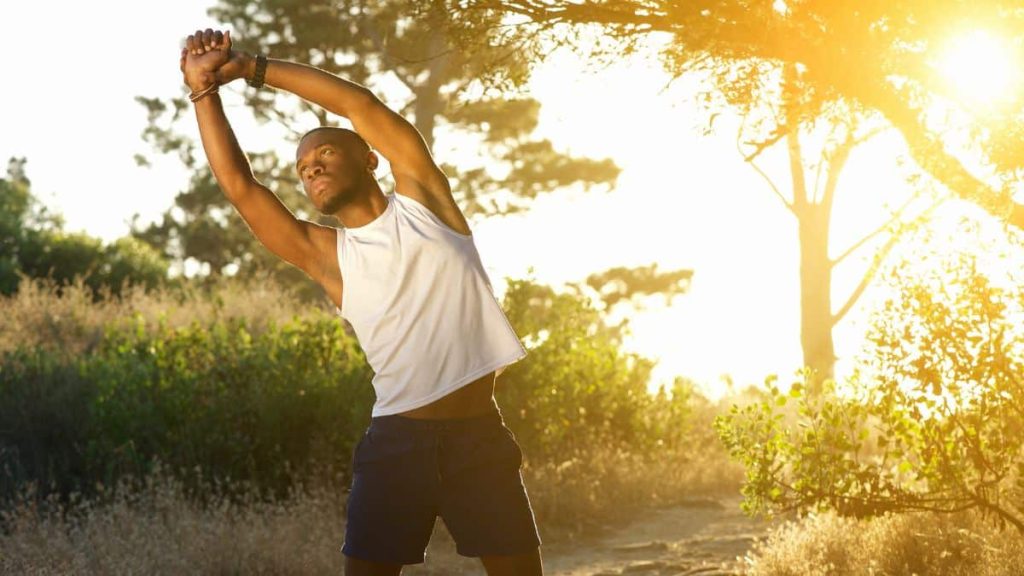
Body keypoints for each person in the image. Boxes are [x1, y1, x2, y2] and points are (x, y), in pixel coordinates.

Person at [179, 27, 543, 576]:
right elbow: (241, 187)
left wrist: (251, 68)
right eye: (303, 170)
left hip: (479, 438)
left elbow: (357, 103)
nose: (312, 169)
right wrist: (203, 91)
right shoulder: (327, 257)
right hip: (396, 445)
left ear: (370, 159)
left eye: (323, 153)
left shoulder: (425, 202)